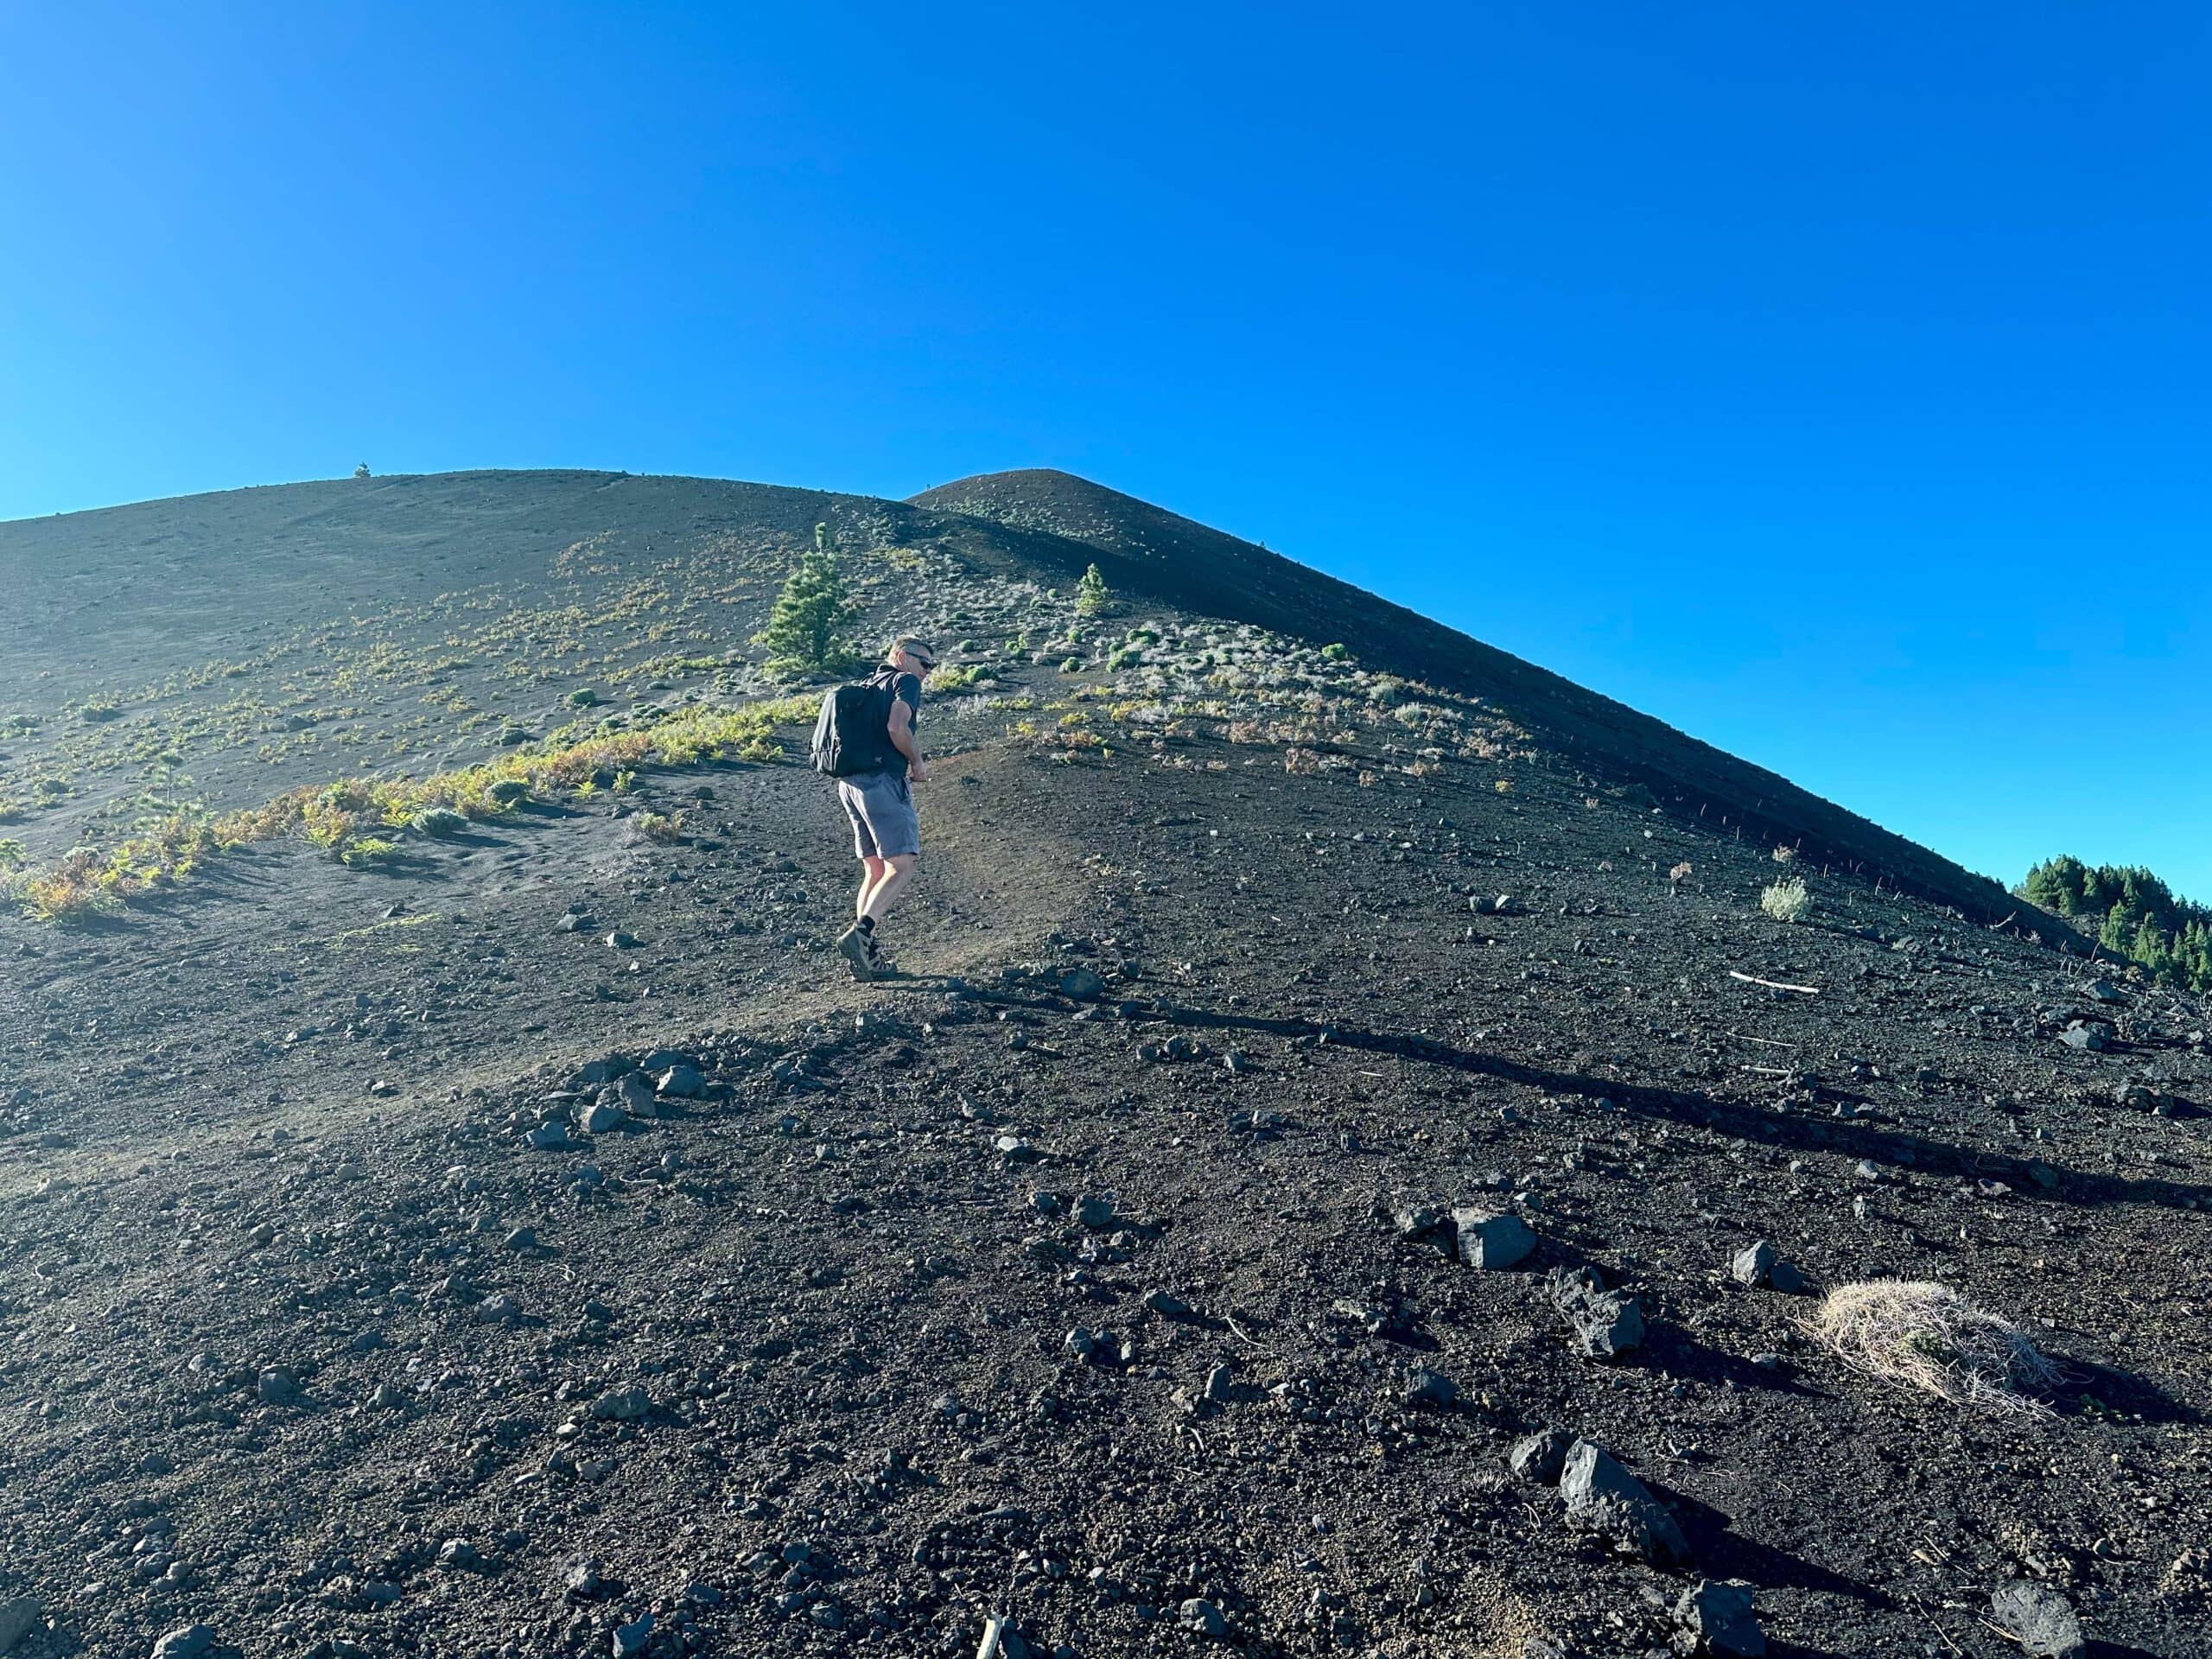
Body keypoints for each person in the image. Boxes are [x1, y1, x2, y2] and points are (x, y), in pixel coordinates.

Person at [835, 636, 935, 978]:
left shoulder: (867, 683)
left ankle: (864, 958)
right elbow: (897, 726)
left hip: (850, 784)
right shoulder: (903, 680)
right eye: (925, 664)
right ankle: (861, 933)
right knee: (902, 866)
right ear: (903, 656)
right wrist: (917, 762)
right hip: (882, 782)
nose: (927, 672)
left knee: (875, 871)